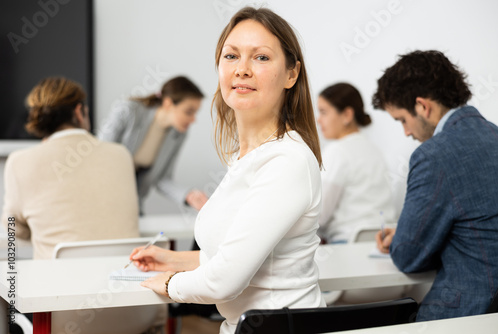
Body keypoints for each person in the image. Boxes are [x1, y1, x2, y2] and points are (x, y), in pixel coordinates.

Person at [130, 7, 325, 333]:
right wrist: (174, 260)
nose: (242, 70)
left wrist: (168, 283)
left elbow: (223, 281)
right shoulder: (245, 157)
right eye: (231, 56)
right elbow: (233, 256)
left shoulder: (287, 160)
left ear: (291, 74)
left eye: (261, 58)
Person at [373, 50, 498, 321]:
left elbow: (408, 255)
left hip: (466, 314)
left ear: (422, 107)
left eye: (402, 120)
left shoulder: (433, 155)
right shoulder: (496, 136)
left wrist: (404, 237)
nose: (406, 132)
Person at [1, 77, 139, 259]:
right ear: (79, 111)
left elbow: (15, 229)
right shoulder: (121, 154)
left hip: (57, 283)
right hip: (124, 279)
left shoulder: (19, 162)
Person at [99, 76, 208, 213]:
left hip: (134, 201)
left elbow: (162, 179)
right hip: (104, 193)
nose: (193, 119)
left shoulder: (179, 135)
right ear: (168, 103)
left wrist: (189, 195)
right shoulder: (129, 111)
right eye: (188, 112)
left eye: (195, 113)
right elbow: (101, 152)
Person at [317, 83, 395, 243]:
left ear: (346, 115)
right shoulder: (374, 150)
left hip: (347, 244)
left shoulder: (337, 151)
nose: (318, 120)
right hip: (384, 241)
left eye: (323, 112)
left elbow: (319, 215)